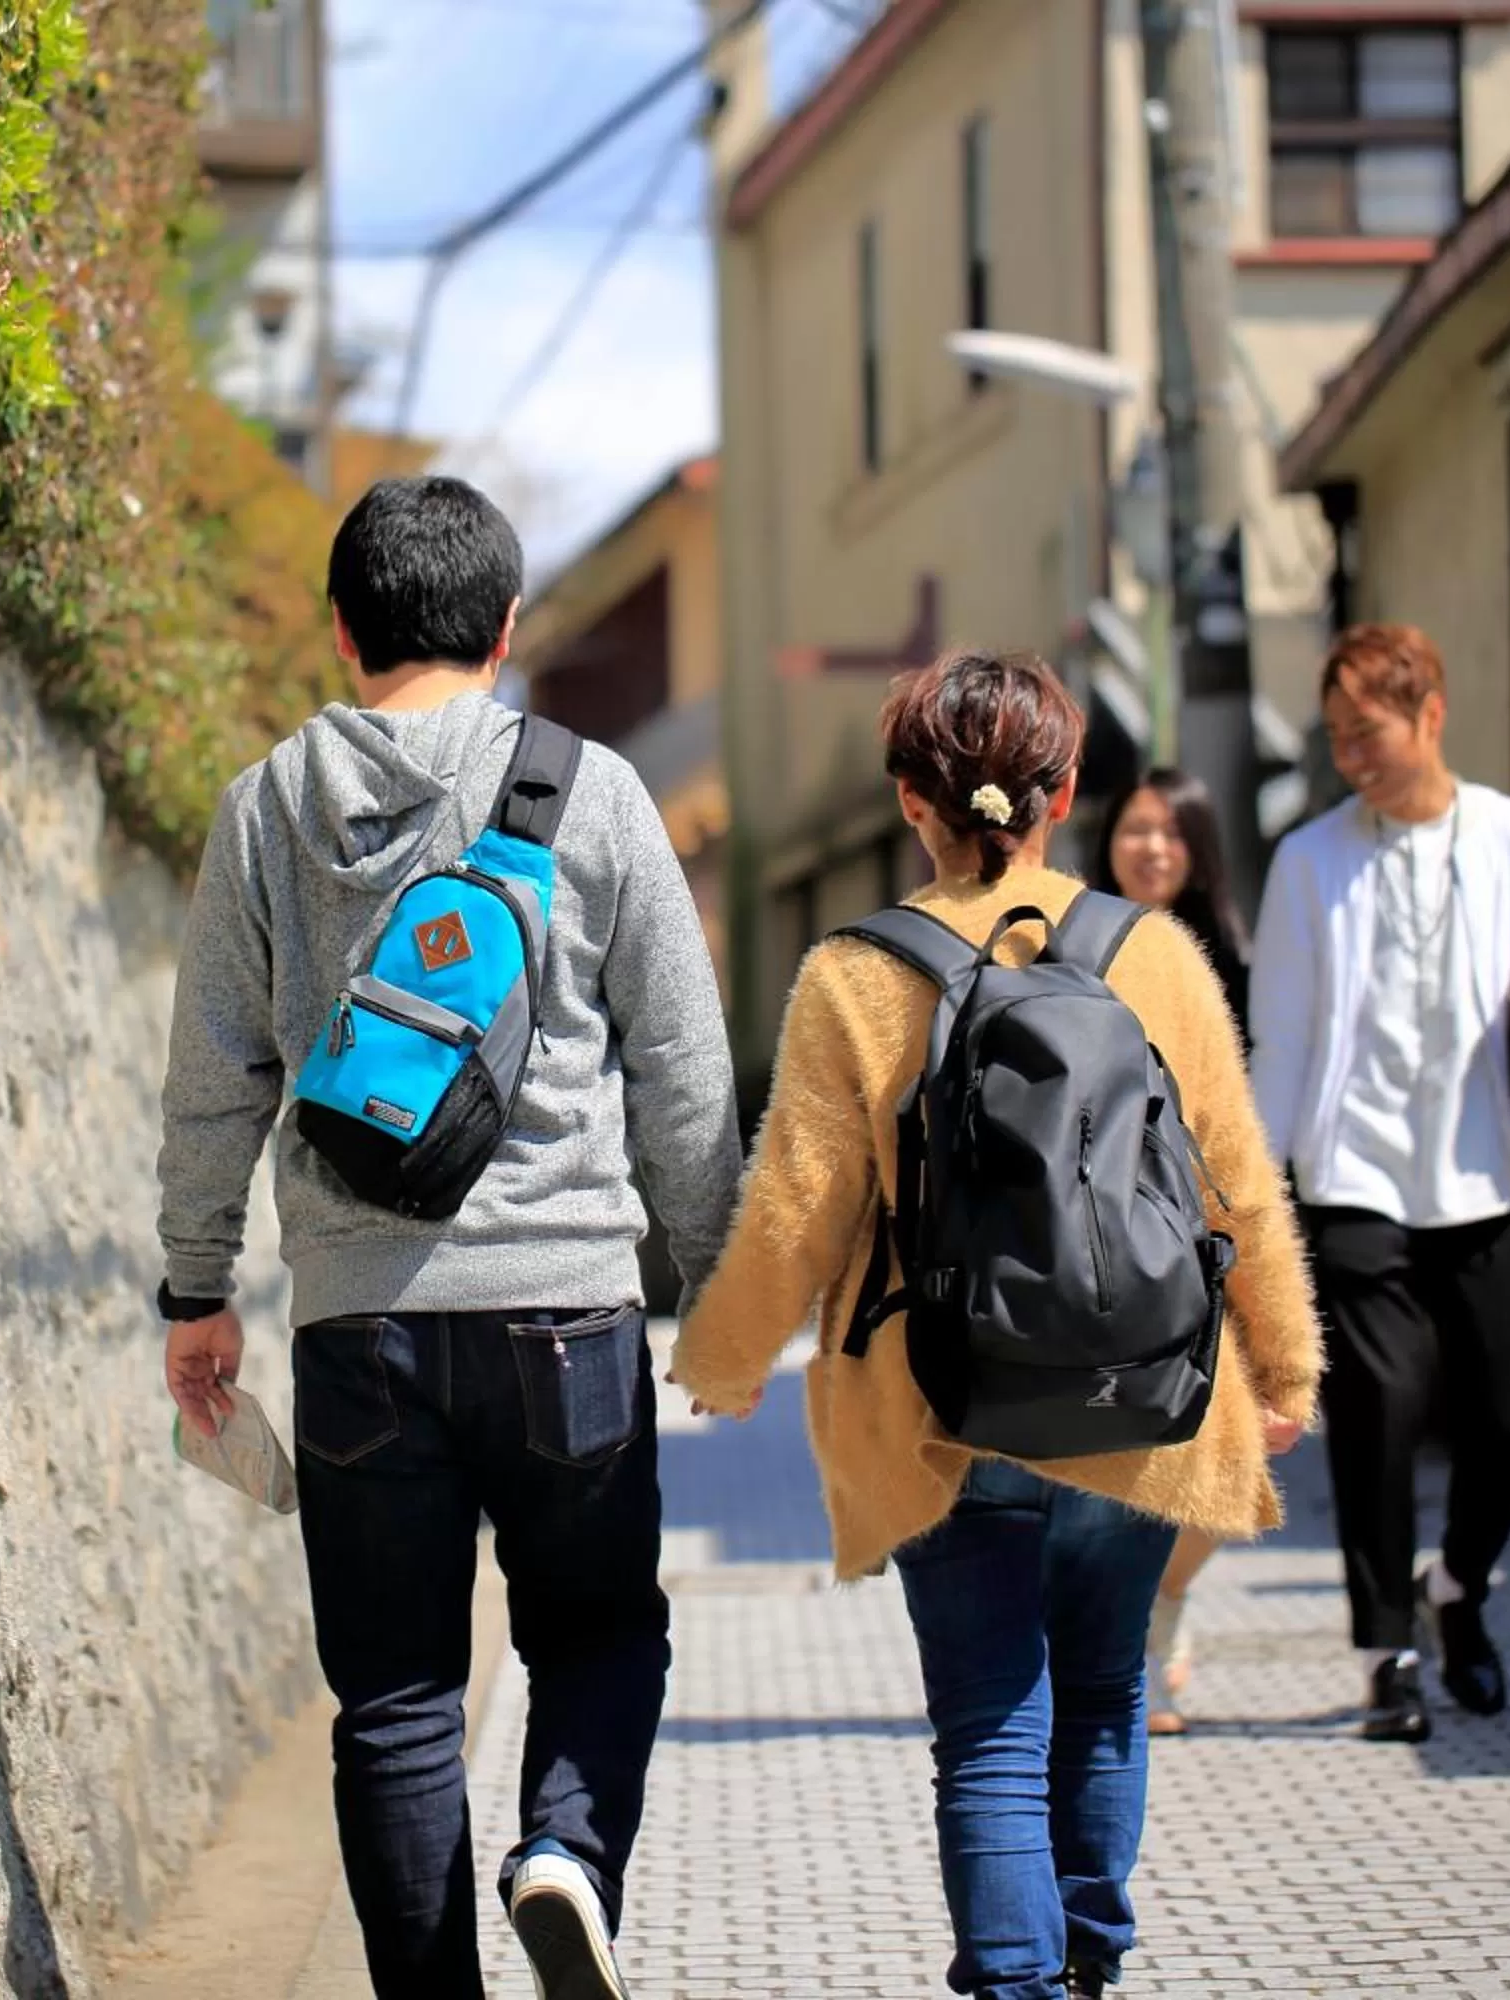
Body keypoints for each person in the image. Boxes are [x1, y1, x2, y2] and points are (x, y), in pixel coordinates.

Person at [154, 476, 742, 2000]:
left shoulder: (268, 806)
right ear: (506, 629)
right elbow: (681, 1068)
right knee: (601, 1638)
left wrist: (196, 1289)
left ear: (341, 627)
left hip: (361, 1330)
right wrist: (726, 1289)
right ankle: (563, 1853)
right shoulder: (591, 791)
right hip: (569, 1317)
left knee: (399, 1703)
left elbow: (217, 1077)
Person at [671, 652, 1320, 2000]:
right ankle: (1094, 1960)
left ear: (912, 802)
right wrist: (1285, 1362)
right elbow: (1239, 1177)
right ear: (1067, 793)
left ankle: (1018, 1982)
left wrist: (727, 1360)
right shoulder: (1157, 957)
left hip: (940, 1409)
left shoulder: (854, 976)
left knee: (987, 1732)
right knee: (1104, 1695)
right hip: (1143, 1394)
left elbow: (798, 1202)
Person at [1251, 622, 1510, 1744]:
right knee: (1378, 1416)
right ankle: (1386, 1648)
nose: (1351, 755)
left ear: (1431, 714)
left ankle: (1460, 1591)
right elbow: (1284, 1036)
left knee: (1507, 1420)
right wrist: (1260, 1203)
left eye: (1370, 731)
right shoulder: (1309, 860)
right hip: (1356, 1177)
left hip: (1507, 1171)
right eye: (1337, 735)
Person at [1095, 769, 1254, 1735]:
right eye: (1134, 827)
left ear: (1197, 846)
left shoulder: (1233, 960)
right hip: (1115, 1236)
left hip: (1218, 1232)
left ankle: (1165, 1599)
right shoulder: (1081, 946)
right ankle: (1134, 1655)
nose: (1150, 846)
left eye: (1169, 830)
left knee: (1230, 1468)